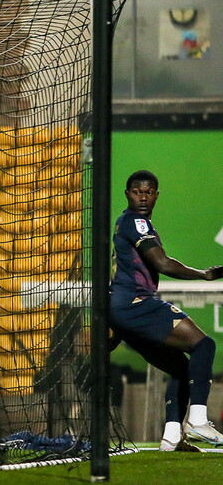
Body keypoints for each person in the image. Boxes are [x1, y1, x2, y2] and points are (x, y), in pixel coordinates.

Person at [109, 170, 223, 452]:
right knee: (204, 345)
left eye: (149, 192)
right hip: (135, 304)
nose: (143, 197)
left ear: (157, 195)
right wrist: (204, 275)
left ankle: (172, 437)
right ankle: (197, 420)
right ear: (127, 194)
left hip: (121, 310)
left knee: (180, 368)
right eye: (137, 192)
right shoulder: (135, 222)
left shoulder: (131, 223)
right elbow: (162, 263)